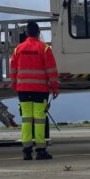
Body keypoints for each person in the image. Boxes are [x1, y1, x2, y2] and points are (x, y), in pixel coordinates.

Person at [10, 21, 60, 160]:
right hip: (40, 90)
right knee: (39, 119)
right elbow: (51, 71)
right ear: (38, 33)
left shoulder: (18, 49)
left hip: (23, 90)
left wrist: (16, 86)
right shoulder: (44, 49)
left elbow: (12, 70)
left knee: (26, 119)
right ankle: (40, 150)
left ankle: (26, 151)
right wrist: (55, 87)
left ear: (26, 33)